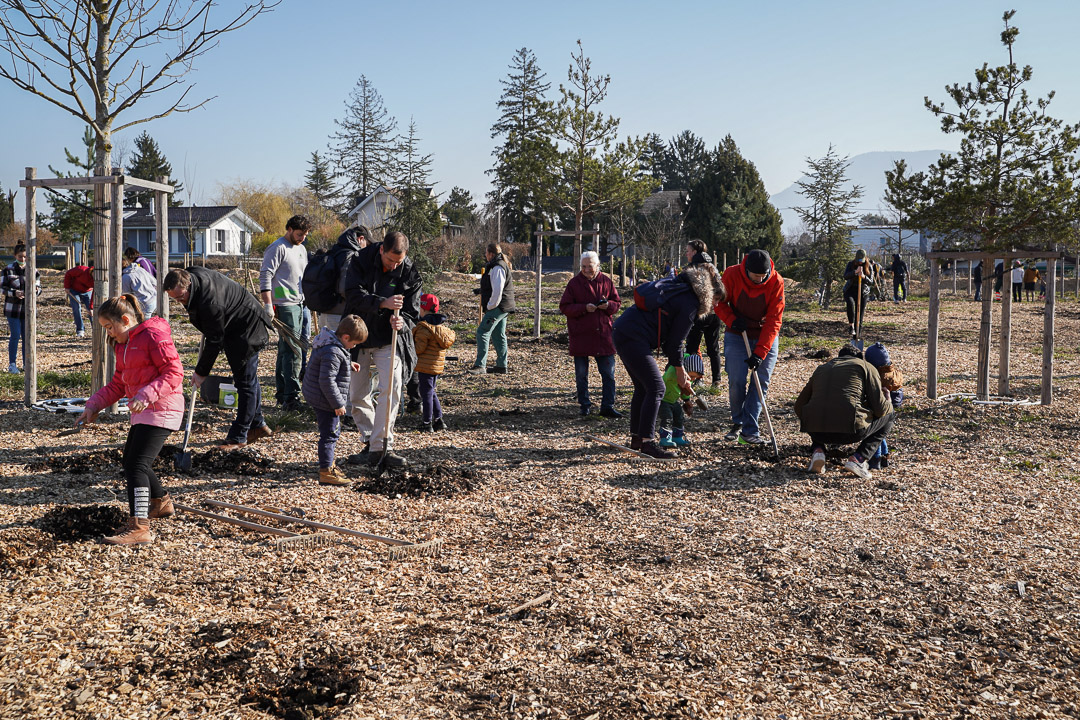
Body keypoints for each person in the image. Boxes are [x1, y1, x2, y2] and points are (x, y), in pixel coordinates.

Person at [75, 295, 184, 545]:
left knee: (136, 464)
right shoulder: (123, 346)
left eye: (110, 327)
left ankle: (140, 528)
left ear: (125, 320)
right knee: (134, 462)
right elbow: (118, 385)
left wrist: (146, 395)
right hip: (144, 409)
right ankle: (160, 502)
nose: (110, 334)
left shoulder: (154, 336)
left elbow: (174, 373)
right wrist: (93, 406)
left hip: (162, 407)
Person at [612, 262, 725, 459]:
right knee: (657, 388)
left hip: (623, 330)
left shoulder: (682, 288)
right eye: (716, 300)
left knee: (643, 387)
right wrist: (681, 372)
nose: (716, 306)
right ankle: (648, 443)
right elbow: (675, 344)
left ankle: (637, 438)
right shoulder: (691, 303)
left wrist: (680, 370)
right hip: (633, 336)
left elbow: (670, 344)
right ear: (709, 294)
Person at [164, 267, 274, 450]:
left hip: (247, 329)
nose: (180, 302)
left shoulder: (211, 303)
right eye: (175, 299)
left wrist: (201, 372)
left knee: (245, 383)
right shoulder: (189, 275)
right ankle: (258, 425)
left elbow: (214, 341)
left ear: (188, 284)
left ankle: (239, 437)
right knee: (248, 380)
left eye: (181, 297)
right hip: (234, 323)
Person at [342, 231, 422, 468]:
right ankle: (369, 440)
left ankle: (381, 446)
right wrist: (381, 303)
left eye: (399, 261)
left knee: (392, 386)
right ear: (381, 250)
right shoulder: (360, 260)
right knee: (357, 395)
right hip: (359, 335)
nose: (395, 266)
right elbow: (353, 295)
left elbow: (412, 312)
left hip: (389, 337)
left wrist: (403, 323)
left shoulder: (409, 271)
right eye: (390, 261)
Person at [714, 249, 785, 446]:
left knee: (760, 382)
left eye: (764, 276)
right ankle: (737, 421)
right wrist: (731, 319)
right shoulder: (731, 274)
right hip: (737, 334)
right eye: (756, 277)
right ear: (746, 270)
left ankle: (749, 430)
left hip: (765, 335)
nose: (760, 280)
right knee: (736, 380)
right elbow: (718, 302)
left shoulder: (776, 281)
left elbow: (774, 320)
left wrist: (760, 353)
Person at [794, 344, 895, 480]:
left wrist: (812, 424)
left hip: (817, 432)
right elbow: (880, 408)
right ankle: (858, 459)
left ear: (839, 357)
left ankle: (818, 450)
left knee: (814, 410)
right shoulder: (865, 367)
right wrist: (888, 402)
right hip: (851, 432)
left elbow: (799, 406)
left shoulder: (822, 369)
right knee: (890, 416)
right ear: (860, 358)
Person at [301, 314, 368, 486]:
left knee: (330, 432)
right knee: (330, 433)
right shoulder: (333, 352)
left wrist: (348, 363)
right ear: (346, 337)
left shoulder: (330, 342)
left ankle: (328, 465)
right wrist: (337, 404)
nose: (353, 347)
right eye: (353, 344)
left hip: (319, 394)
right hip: (325, 399)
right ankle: (326, 472)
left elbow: (333, 362)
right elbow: (327, 380)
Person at [559, 250, 622, 417]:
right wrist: (583, 308)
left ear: (597, 265)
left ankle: (607, 406)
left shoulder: (607, 281)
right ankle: (584, 405)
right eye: (583, 266)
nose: (586, 269)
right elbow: (564, 307)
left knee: (608, 374)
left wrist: (607, 305)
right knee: (581, 374)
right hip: (581, 335)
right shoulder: (574, 284)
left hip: (603, 335)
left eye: (590, 266)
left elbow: (617, 303)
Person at [260, 215, 310, 411]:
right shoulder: (277, 247)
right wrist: (268, 304)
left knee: (285, 350)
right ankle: (292, 396)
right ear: (289, 229)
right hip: (284, 304)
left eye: (305, 235)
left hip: (300, 303)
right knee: (293, 350)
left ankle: (282, 393)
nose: (302, 238)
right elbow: (266, 274)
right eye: (299, 234)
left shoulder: (301, 249)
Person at [470, 243, 515, 375]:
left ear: (491, 254)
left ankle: (480, 365)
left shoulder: (497, 267)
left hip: (498, 306)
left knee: (482, 332)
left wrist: (490, 306)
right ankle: (501, 365)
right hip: (504, 306)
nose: (485, 255)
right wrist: (481, 291)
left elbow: (498, 290)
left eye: (486, 253)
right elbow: (492, 286)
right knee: (498, 335)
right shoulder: (497, 266)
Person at [413, 293, 456, 432]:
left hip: (425, 366)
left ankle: (427, 423)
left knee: (425, 394)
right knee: (431, 392)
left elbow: (419, 349)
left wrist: (410, 346)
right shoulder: (441, 328)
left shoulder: (424, 328)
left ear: (423, 309)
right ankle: (438, 420)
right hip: (436, 366)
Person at [683, 241, 722, 387]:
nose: (687, 254)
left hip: (698, 313)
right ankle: (716, 379)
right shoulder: (714, 269)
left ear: (695, 252)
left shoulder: (693, 270)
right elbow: (721, 290)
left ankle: (695, 378)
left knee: (692, 347)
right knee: (713, 348)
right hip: (714, 313)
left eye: (688, 251)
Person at [864, 342, 904, 470]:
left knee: (874, 433)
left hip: (882, 407)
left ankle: (875, 459)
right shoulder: (893, 372)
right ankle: (885, 456)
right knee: (882, 433)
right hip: (893, 406)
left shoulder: (879, 376)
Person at [2, 244, 41, 374]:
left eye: (25, 257)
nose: (23, 259)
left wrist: (36, 291)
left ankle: (27, 364)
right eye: (20, 257)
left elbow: (39, 288)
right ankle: (12, 364)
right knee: (15, 335)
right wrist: (14, 293)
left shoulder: (33, 270)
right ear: (15, 256)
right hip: (12, 308)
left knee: (27, 336)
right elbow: (2, 288)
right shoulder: (8, 270)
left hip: (28, 309)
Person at [658, 353, 704, 449]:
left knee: (679, 415)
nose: (692, 379)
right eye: (691, 376)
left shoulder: (687, 379)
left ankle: (677, 436)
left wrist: (687, 401)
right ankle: (665, 438)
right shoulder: (673, 372)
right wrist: (680, 378)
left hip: (673, 400)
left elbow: (683, 391)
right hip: (663, 399)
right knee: (667, 417)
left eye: (694, 378)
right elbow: (667, 377)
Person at [842, 249, 872, 337]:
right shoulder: (850, 264)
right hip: (850, 290)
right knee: (850, 303)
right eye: (858, 261)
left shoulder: (868, 266)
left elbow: (871, 282)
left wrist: (863, 276)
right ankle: (851, 325)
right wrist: (855, 272)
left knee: (860, 314)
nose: (860, 263)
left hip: (863, 292)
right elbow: (846, 276)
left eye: (861, 261)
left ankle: (857, 336)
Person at [63, 262, 94, 338]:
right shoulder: (81, 270)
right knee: (76, 308)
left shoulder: (98, 279)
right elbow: (68, 274)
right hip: (74, 290)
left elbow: (94, 293)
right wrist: (67, 287)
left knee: (91, 311)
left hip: (87, 291)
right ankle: (80, 330)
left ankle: (95, 329)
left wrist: (92, 307)